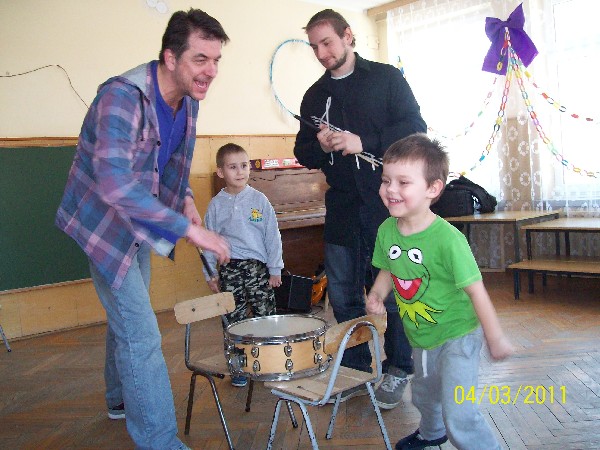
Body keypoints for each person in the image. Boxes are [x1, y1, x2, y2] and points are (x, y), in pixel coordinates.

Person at [55, 9, 230, 450]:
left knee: (128, 319)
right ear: (170, 58)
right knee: (142, 332)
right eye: (200, 59)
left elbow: (170, 163)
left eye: (216, 60)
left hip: (140, 223)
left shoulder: (188, 100)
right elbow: (115, 183)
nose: (211, 71)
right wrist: (189, 230)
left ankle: (118, 397)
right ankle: (159, 441)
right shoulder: (122, 97)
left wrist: (185, 199)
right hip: (102, 226)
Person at [294, 8, 426, 406]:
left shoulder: (386, 78)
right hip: (342, 211)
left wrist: (362, 141)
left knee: (394, 295)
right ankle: (353, 370)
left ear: (348, 36)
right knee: (343, 297)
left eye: (327, 42)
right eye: (314, 46)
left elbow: (415, 128)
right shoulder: (314, 95)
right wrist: (320, 146)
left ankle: (399, 368)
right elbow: (302, 151)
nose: (322, 53)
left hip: (386, 208)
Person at [366, 134, 514, 450]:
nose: (390, 189)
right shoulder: (387, 230)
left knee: (460, 413)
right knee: (424, 395)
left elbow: (477, 292)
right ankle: (431, 433)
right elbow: (389, 269)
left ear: (432, 189)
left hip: (458, 335)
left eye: (403, 182)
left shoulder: (448, 240)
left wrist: (495, 337)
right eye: (386, 180)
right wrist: (377, 294)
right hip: (421, 336)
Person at [203, 143, 284, 387]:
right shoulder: (216, 205)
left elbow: (272, 236)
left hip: (258, 268)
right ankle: (239, 367)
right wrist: (211, 274)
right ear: (221, 172)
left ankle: (270, 361)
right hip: (229, 269)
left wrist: (275, 268)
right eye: (233, 167)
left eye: (244, 165)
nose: (240, 172)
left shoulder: (259, 200)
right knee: (233, 318)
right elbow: (209, 242)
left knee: (265, 315)